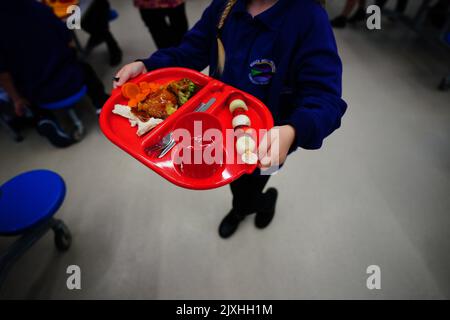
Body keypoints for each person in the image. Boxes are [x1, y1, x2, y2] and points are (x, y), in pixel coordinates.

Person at [114, 0, 347, 238]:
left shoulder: (309, 19)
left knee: (250, 189)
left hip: (270, 140)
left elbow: (325, 98)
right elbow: (190, 50)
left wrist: (294, 130)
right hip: (220, 128)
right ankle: (242, 203)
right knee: (232, 180)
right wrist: (149, 66)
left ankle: (255, 204)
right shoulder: (225, 6)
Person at [0, 0, 109, 147]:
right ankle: (101, 103)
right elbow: (68, 38)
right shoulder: (38, 8)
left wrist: (16, 99)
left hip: (37, 90)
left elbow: (4, 76)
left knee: (24, 94)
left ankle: (44, 119)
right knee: (84, 67)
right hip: (70, 76)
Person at [81, 0, 123, 66]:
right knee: (83, 24)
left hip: (99, 4)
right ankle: (97, 36)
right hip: (83, 6)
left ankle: (115, 51)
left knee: (102, 29)